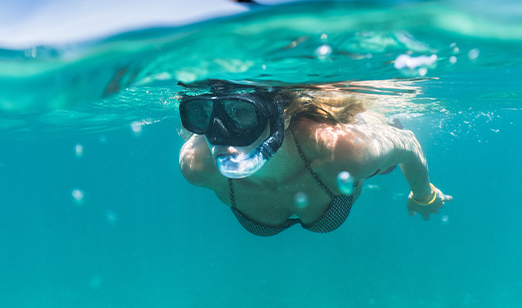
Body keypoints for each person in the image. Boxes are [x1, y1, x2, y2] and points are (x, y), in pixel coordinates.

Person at [178, 80, 452, 237]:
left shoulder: (342, 151)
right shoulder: (197, 165)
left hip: (345, 136)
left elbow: (409, 144)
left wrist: (423, 194)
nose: (219, 134)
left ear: (282, 116)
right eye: (201, 115)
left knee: (381, 158)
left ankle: (381, 121)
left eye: (242, 113)